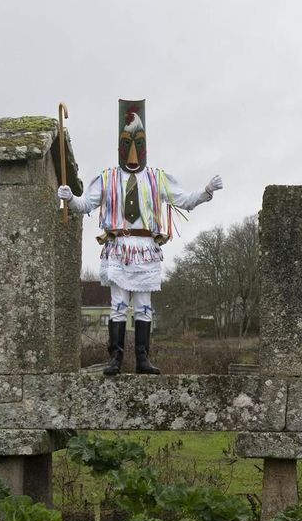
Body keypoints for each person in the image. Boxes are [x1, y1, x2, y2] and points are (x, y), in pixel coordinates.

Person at [58, 99, 222, 375]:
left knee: (144, 306)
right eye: (126, 144)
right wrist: (71, 198)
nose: (132, 152)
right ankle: (115, 358)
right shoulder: (107, 178)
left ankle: (143, 359)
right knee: (118, 306)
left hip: (145, 249)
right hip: (119, 248)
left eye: (138, 144)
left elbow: (184, 200)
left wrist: (206, 191)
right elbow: (86, 204)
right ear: (119, 147)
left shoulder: (157, 179)